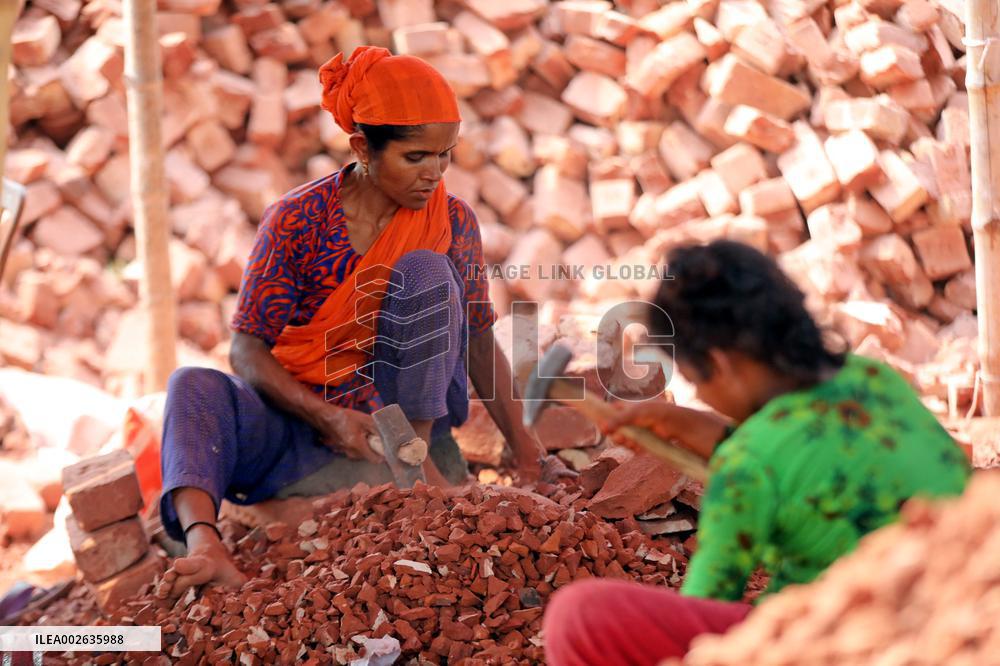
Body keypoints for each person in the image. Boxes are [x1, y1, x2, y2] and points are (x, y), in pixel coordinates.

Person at [156, 46, 556, 599]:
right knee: (191, 386)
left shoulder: (452, 220)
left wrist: (529, 455)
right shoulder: (297, 221)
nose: (435, 174)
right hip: (297, 427)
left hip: (398, 432)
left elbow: (480, 340)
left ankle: (419, 483)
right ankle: (205, 545)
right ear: (363, 148)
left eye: (446, 155)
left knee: (427, 273)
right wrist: (326, 417)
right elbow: (247, 350)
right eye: (416, 158)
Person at [543, 240, 970, 665]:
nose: (704, 397)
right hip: (964, 609)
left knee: (577, 616)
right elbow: (799, 447)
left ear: (721, 363)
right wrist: (682, 426)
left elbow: (705, 629)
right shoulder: (874, 378)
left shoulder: (747, 467)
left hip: (852, 640)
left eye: (696, 379)